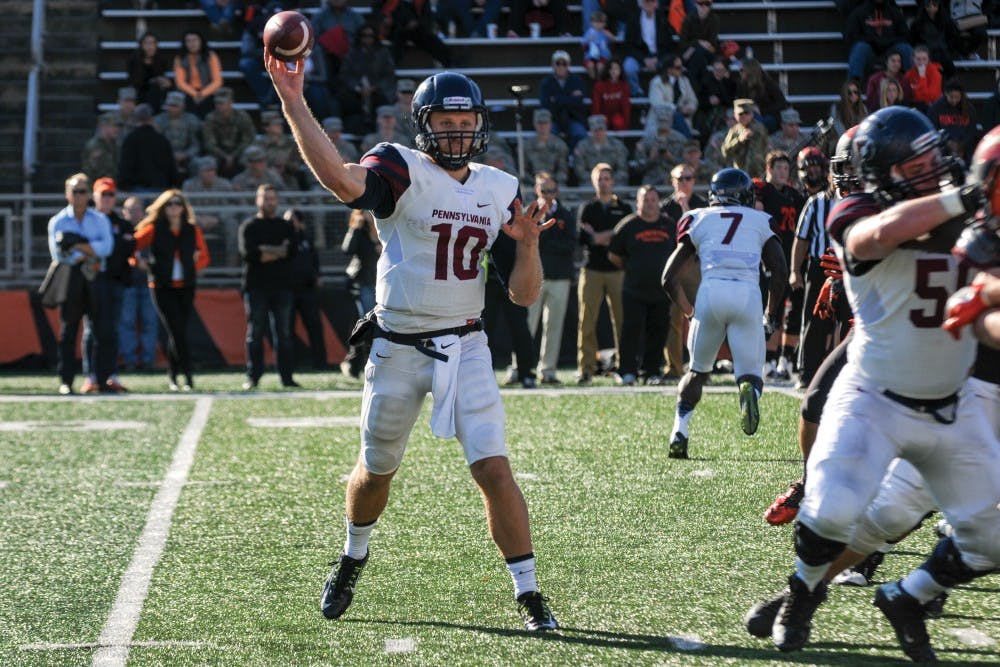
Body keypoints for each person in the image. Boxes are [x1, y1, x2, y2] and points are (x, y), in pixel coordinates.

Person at [265, 58, 559, 629]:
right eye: (446, 122)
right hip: (397, 344)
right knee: (377, 471)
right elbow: (343, 182)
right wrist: (293, 99)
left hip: (466, 345)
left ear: (481, 123)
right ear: (424, 125)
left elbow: (523, 297)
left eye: (466, 120)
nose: (457, 131)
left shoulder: (500, 188)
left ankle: (529, 593)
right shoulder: (400, 167)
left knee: (494, 470)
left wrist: (526, 247)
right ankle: (352, 556)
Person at [744, 107, 998, 661]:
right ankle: (803, 595)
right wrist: (964, 200)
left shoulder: (972, 216)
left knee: (991, 537)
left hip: (954, 402)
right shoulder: (859, 208)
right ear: (886, 174)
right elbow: (871, 238)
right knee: (835, 508)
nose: (937, 167)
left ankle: (907, 596)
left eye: (936, 156)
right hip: (878, 394)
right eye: (920, 162)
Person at [661, 168, 788, 459]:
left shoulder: (698, 218)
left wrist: (690, 311)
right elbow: (779, 272)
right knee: (751, 375)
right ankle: (748, 391)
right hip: (747, 296)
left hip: (711, 294)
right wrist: (770, 313)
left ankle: (680, 430)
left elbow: (668, 278)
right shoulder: (760, 220)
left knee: (697, 371)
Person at [132, 189, 210, 391]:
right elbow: (132, 246)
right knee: (176, 329)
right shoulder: (154, 228)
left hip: (186, 286)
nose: (173, 207)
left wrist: (194, 265)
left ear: (184, 208)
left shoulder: (192, 229)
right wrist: (138, 262)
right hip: (161, 286)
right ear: (163, 207)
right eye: (169, 204)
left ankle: (173, 376)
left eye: (177, 203)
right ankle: (188, 376)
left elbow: (204, 257)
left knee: (179, 331)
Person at [48, 173, 114, 396]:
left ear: (89, 195)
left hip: (96, 277)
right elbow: (59, 255)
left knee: (102, 330)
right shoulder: (58, 221)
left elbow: (106, 249)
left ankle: (101, 379)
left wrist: (77, 245)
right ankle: (66, 380)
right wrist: (88, 250)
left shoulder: (100, 219)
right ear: (67, 194)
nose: (79, 196)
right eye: (75, 191)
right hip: (71, 278)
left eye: (83, 191)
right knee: (68, 332)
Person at [608, 184, 676, 385]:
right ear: (638, 202)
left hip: (661, 291)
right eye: (645, 200)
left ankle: (651, 372)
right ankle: (627, 371)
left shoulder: (669, 225)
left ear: (658, 202)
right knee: (630, 331)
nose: (649, 204)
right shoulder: (628, 225)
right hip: (634, 290)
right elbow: (613, 255)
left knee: (658, 332)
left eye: (653, 200)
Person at [238, 184, 299, 390]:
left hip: (283, 287)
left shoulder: (286, 226)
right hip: (256, 287)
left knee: (284, 335)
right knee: (255, 333)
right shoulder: (249, 226)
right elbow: (250, 254)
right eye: (265, 198)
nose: (269, 202)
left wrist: (266, 250)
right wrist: (278, 250)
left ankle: (287, 378)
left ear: (277, 200)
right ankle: (253, 376)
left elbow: (291, 252)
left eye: (272, 198)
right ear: (258, 200)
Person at [576, 162, 631, 383]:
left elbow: (624, 236)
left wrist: (600, 235)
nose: (604, 182)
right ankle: (586, 368)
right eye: (600, 178)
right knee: (586, 320)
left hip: (617, 270)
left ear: (613, 181)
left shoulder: (624, 208)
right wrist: (610, 234)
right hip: (592, 270)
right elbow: (582, 238)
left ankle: (622, 366)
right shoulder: (587, 208)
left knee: (622, 320)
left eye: (607, 178)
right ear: (593, 182)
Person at [81, 177, 135, 394]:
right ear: (94, 196)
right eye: (103, 194)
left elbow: (125, 249)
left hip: (114, 281)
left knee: (112, 329)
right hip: (90, 280)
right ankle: (91, 375)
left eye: (111, 194)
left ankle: (110, 374)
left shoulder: (122, 223)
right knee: (91, 329)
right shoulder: (86, 220)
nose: (107, 199)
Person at [790, 147, 837, 388]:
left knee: (846, 323)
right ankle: (807, 373)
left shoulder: (857, 201)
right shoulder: (816, 203)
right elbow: (802, 238)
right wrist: (794, 270)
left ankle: (839, 374)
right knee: (814, 321)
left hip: (849, 269)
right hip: (821, 267)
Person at [757, 150, 806, 381]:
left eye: (786, 168)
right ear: (769, 169)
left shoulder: (795, 195)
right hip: (769, 256)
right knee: (770, 310)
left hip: (791, 256)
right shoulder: (762, 191)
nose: (782, 172)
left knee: (793, 311)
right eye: (778, 168)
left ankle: (785, 359)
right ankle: (768, 359)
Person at [527, 173, 576, 384]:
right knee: (526, 325)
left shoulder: (566, 214)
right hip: (532, 276)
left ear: (557, 192)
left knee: (553, 327)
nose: (548, 195)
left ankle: (547, 370)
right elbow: (526, 243)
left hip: (559, 277)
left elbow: (570, 245)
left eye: (551, 191)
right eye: (543, 190)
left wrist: (545, 238)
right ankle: (520, 367)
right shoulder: (527, 214)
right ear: (537, 190)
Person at [661, 163, 708, 377]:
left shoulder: (702, 205)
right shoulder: (664, 207)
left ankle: (701, 366)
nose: (684, 182)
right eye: (680, 178)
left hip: (696, 266)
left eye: (688, 178)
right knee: (672, 320)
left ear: (694, 181)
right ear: (672, 181)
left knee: (701, 317)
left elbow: (698, 234)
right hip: (673, 268)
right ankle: (674, 366)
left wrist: (686, 209)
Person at [118, 195, 160, 371]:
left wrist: (148, 264)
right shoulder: (119, 229)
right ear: (124, 212)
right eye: (130, 209)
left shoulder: (150, 230)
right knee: (126, 322)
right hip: (126, 283)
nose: (134, 213)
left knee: (150, 322)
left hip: (148, 282)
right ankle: (129, 361)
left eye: (137, 209)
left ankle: (148, 360)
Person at [340, 208, 381, 378]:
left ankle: (371, 363)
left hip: (382, 283)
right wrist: (355, 228)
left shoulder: (383, 229)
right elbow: (347, 249)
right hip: (363, 282)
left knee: (380, 325)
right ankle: (354, 363)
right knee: (366, 323)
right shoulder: (359, 232)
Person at [285, 208, 327, 370]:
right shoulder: (283, 240)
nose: (289, 224)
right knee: (286, 330)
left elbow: (314, 261)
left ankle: (320, 363)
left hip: (307, 289)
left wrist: (317, 276)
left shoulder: (306, 240)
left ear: (300, 223)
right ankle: (289, 365)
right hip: (287, 289)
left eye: (292, 220)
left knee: (314, 327)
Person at [337, 25, 397, 136]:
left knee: (381, 102)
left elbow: (389, 74)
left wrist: (374, 87)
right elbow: (345, 74)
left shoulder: (383, 53)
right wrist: (357, 87)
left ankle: (378, 131)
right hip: (355, 92)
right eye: (364, 36)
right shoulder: (352, 53)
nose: (367, 39)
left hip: (378, 91)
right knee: (347, 102)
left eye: (370, 36)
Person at [845, 0, 913, 82]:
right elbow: (851, 36)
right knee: (860, 47)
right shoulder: (859, 12)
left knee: (906, 48)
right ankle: (853, 86)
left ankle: (911, 83)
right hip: (870, 53)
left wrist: (887, 42)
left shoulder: (895, 12)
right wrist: (873, 41)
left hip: (891, 52)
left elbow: (906, 36)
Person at [118, 103, 179, 193]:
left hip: (137, 190)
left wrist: (123, 185)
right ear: (152, 119)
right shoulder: (162, 139)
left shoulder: (130, 140)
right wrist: (173, 184)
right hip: (160, 189)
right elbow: (171, 166)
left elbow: (125, 165)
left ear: (135, 119)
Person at [375, 0, 452, 68]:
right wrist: (384, 18)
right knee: (398, 38)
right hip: (393, 29)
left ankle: (449, 63)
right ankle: (391, 67)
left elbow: (427, 16)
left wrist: (417, 23)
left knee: (431, 40)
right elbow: (376, 8)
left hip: (415, 29)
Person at [620, 0, 673, 97]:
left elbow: (668, 44)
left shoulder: (662, 19)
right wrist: (644, 59)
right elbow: (628, 46)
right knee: (629, 68)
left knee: (671, 65)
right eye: (646, 1)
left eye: (652, 1)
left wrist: (657, 58)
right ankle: (636, 93)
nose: (649, 4)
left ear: (656, 4)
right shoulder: (633, 19)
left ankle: (665, 95)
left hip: (658, 55)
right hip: (639, 55)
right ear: (640, 4)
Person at [202, 87, 256, 179]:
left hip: (239, 151)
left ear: (230, 103)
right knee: (207, 162)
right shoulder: (210, 118)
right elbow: (209, 143)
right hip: (218, 153)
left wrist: (233, 155)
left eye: (222, 103)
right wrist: (225, 156)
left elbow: (248, 139)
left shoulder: (242, 117)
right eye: (217, 103)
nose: (219, 106)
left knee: (252, 156)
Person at [538, 50, 588, 149]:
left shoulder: (577, 81)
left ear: (568, 65)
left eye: (564, 63)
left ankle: (576, 160)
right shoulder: (546, 83)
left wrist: (556, 99)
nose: (561, 66)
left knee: (580, 134)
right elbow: (545, 104)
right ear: (553, 65)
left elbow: (578, 102)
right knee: (548, 135)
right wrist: (569, 98)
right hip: (553, 119)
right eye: (558, 63)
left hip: (573, 118)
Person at [926, 77, 981, 163]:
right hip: (943, 152)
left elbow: (971, 131)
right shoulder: (935, 109)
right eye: (951, 97)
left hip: (964, 152)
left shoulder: (969, 109)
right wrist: (947, 143)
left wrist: (962, 146)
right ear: (946, 94)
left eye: (957, 97)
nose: (954, 100)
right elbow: (932, 130)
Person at [173, 29, 223, 118]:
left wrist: (202, 94)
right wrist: (195, 94)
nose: (192, 44)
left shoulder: (211, 56)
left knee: (208, 104)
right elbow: (180, 83)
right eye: (188, 41)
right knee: (188, 104)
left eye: (195, 40)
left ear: (201, 41)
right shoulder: (180, 58)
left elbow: (217, 81)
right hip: (189, 92)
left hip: (207, 91)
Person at [154, 90, 202, 182]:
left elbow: (195, 144)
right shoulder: (158, 121)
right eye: (170, 106)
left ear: (182, 107)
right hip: (165, 155)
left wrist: (185, 155)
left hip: (186, 156)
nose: (172, 109)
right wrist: (170, 155)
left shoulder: (191, 120)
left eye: (175, 106)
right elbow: (156, 144)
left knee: (197, 164)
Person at [647, 57, 699, 138]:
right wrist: (678, 109)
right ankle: (688, 142)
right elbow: (657, 104)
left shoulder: (684, 81)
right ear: (669, 69)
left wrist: (689, 108)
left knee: (679, 118)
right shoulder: (657, 82)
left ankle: (688, 142)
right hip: (662, 119)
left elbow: (693, 100)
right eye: (678, 68)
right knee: (677, 116)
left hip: (682, 118)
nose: (681, 69)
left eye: (682, 67)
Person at [572, 114, 629, 185]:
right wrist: (596, 179)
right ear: (591, 131)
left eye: (601, 129)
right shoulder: (582, 146)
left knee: (621, 187)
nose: (599, 133)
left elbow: (622, 169)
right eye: (596, 130)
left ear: (605, 129)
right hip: (590, 181)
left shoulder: (617, 145)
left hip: (613, 180)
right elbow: (579, 170)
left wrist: (608, 179)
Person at [126, 31, 172, 113]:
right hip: (139, 90)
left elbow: (162, 78)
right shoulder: (134, 60)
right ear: (142, 45)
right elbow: (132, 80)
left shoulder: (161, 60)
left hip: (155, 92)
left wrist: (164, 82)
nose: (150, 46)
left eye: (153, 43)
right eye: (147, 43)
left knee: (156, 89)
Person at [735, 59, 786, 133]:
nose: (740, 73)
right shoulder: (742, 85)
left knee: (763, 122)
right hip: (749, 114)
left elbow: (781, 103)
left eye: (742, 70)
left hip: (767, 115)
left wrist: (761, 111)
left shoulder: (768, 83)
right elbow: (739, 102)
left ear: (750, 71)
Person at [522, 108, 569, 188]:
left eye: (545, 123)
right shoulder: (526, 145)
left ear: (550, 124)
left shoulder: (560, 145)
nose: (542, 126)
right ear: (535, 124)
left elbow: (563, 170)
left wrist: (550, 182)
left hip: (555, 184)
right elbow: (523, 171)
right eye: (539, 123)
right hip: (532, 184)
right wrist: (537, 182)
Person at [722, 98, 769, 178]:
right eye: (740, 114)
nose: (744, 116)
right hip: (740, 174)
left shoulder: (760, 129)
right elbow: (725, 152)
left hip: (759, 173)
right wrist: (739, 140)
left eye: (746, 113)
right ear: (735, 115)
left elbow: (766, 148)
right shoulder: (734, 131)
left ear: (752, 114)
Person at [678, 0, 719, 91]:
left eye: (707, 4)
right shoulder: (688, 19)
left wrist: (694, 46)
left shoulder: (714, 19)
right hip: (693, 56)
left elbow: (712, 45)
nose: (703, 6)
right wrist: (698, 42)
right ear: (696, 4)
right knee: (699, 56)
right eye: (700, 3)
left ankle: (693, 91)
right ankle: (703, 90)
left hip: (701, 54)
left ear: (710, 5)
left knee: (698, 54)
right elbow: (682, 44)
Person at [590, 59, 631, 132]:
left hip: (617, 115)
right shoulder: (599, 86)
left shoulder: (624, 86)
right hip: (603, 115)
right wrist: (596, 123)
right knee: (601, 123)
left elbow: (626, 107)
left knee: (619, 122)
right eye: (611, 68)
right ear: (607, 70)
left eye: (616, 68)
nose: (614, 71)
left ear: (620, 70)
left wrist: (625, 126)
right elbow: (596, 107)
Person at [81, 112, 122, 182]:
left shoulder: (115, 145)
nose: (117, 129)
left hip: (112, 186)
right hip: (97, 187)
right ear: (104, 126)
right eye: (113, 126)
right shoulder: (94, 145)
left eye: (118, 126)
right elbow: (92, 170)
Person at [902, 44, 944, 112]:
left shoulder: (935, 73)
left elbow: (929, 97)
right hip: (914, 106)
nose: (921, 62)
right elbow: (906, 95)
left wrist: (922, 77)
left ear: (928, 59)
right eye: (918, 59)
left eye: (924, 59)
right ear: (913, 59)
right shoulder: (909, 74)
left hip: (932, 107)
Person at [580, 10, 615, 80]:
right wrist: (588, 40)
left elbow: (613, 42)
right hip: (591, 56)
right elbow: (583, 46)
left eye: (601, 22)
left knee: (600, 66)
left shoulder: (606, 33)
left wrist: (610, 36)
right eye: (596, 22)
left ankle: (600, 80)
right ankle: (593, 80)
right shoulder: (589, 32)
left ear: (605, 24)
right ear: (591, 23)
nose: (598, 24)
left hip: (603, 56)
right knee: (590, 65)